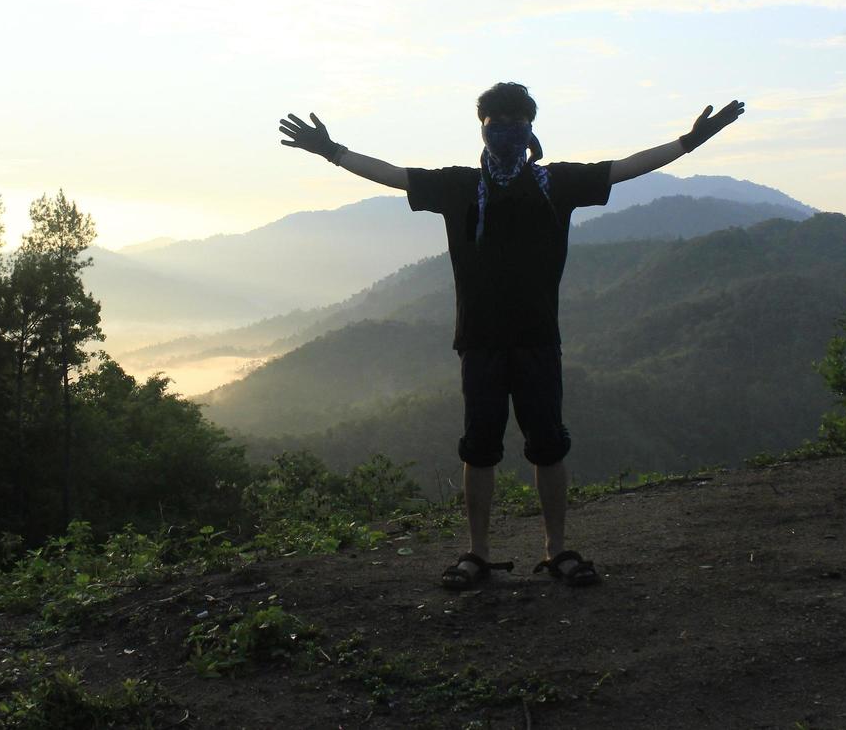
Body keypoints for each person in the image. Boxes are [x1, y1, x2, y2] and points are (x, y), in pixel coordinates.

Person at [278, 83, 743, 590]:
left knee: (548, 446)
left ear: (530, 127)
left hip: (538, 339)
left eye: (514, 118)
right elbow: (391, 175)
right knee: (479, 449)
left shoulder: (556, 183)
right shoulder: (457, 187)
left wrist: (689, 142)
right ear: (481, 127)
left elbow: (626, 167)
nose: (503, 127)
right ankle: (477, 553)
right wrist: (331, 152)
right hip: (479, 342)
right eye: (494, 118)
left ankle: (558, 550)